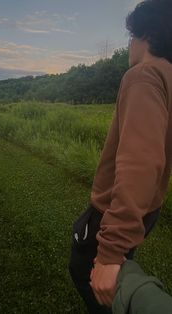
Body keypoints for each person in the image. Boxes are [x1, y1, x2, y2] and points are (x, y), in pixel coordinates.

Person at [69, 0, 172, 313]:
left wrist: (111, 250)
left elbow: (139, 163)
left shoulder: (143, 75)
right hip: (147, 207)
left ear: (146, 36)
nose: (129, 45)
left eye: (131, 37)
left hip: (118, 208)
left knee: (88, 273)